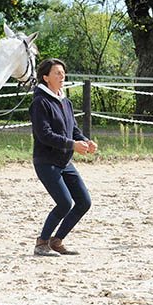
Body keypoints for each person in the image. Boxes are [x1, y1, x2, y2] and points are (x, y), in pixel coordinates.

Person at [30, 58, 97, 256]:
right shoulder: (39, 102)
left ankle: (56, 241)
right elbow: (45, 135)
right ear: (45, 78)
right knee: (65, 203)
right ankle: (41, 243)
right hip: (46, 161)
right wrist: (72, 145)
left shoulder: (65, 101)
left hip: (64, 161)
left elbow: (73, 129)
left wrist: (85, 141)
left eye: (63, 73)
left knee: (84, 202)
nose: (62, 76)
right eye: (57, 73)